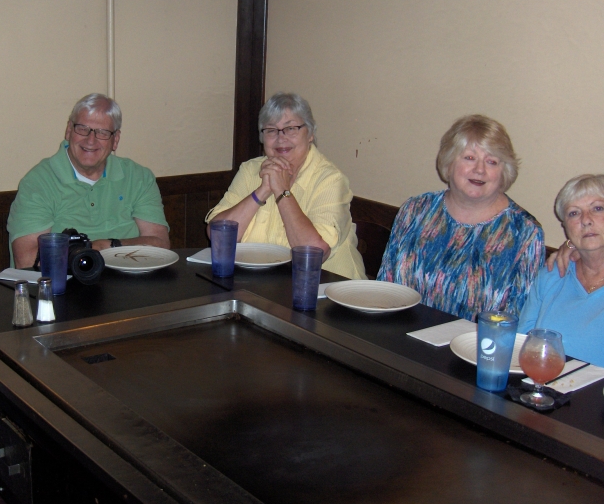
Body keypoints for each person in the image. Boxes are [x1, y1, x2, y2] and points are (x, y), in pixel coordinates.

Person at [377, 114, 544, 321]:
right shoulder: (415, 211)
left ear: (504, 172)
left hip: (479, 342)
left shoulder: (525, 232)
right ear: (449, 162)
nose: (480, 170)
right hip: (401, 333)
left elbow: (520, 318)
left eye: (491, 162)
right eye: (469, 158)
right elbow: (385, 289)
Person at [206, 92, 366, 280]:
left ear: (310, 134)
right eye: (271, 130)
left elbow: (316, 253)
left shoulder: (330, 180)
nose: (281, 138)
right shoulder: (250, 170)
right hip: (263, 284)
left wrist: (282, 191)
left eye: (291, 128)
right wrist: (262, 191)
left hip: (327, 288)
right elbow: (218, 237)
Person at [8, 93, 170, 269]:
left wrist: (106, 246)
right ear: (69, 130)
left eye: (102, 132)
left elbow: (161, 246)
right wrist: (94, 251)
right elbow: (27, 260)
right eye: (82, 129)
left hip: (129, 280)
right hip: (64, 282)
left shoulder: (138, 177)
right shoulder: (38, 183)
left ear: (115, 140)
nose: (91, 140)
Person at [518, 175, 604, 366]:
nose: (586, 220)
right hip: (544, 381)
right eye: (574, 213)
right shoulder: (552, 274)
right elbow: (522, 342)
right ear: (565, 226)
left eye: (598, 208)